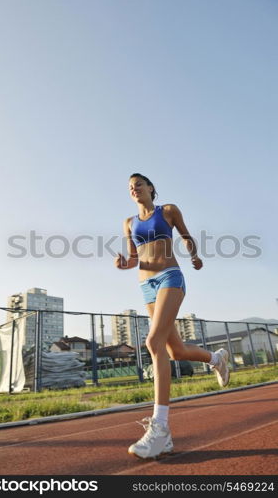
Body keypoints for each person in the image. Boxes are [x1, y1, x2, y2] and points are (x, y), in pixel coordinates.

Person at [114, 173, 230, 459]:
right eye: (130, 187)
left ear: (151, 188)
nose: (134, 189)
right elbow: (134, 258)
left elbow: (186, 236)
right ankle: (217, 359)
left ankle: (160, 429)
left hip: (170, 277)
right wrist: (123, 264)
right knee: (174, 351)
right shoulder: (129, 222)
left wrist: (194, 255)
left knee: (153, 343)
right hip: (146, 285)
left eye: (138, 184)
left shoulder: (168, 211)